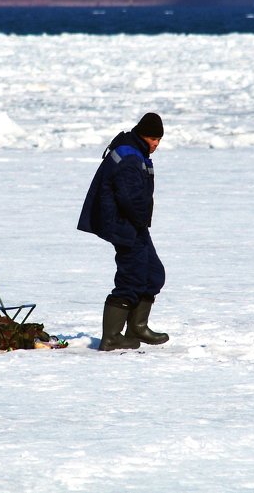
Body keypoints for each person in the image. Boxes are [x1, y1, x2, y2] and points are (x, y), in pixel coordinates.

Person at [78, 112, 169, 351]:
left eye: (158, 138)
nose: (156, 143)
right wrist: (140, 220)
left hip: (133, 224)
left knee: (153, 274)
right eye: (152, 138)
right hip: (123, 224)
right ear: (141, 134)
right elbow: (129, 198)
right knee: (132, 277)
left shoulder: (135, 150)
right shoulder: (130, 156)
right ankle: (111, 337)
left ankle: (137, 327)